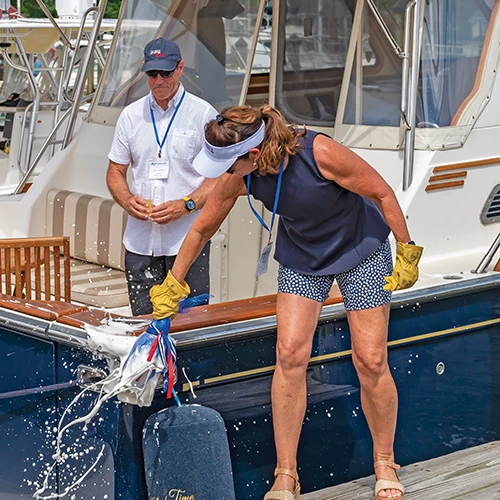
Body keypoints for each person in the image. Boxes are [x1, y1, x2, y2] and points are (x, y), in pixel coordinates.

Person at [150, 105, 422, 500]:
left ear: (254, 154)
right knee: (290, 355)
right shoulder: (238, 176)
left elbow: (381, 191)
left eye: (228, 163)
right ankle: (286, 475)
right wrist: (172, 284)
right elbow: (203, 227)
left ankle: (384, 461)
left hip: (360, 248)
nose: (224, 172)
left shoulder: (320, 152)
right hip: (303, 256)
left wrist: (407, 250)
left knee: (370, 359)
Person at [106, 37, 219, 315]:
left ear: (180, 68)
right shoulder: (130, 116)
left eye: (166, 73)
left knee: (190, 327)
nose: (159, 80)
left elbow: (220, 177)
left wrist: (187, 204)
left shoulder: (203, 114)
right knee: (144, 325)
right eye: (152, 74)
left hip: (188, 243)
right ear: (145, 70)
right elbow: (115, 172)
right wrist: (126, 199)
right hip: (140, 244)